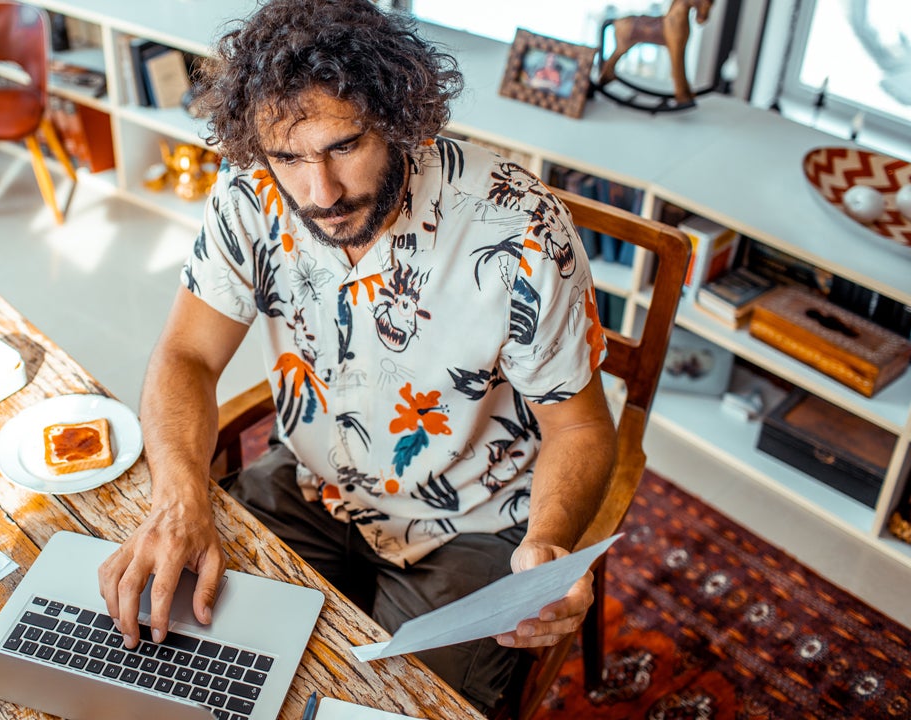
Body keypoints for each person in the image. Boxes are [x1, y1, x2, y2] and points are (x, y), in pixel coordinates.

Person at [97, 0, 617, 711]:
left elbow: (581, 427)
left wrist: (550, 539)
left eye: (344, 146)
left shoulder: (519, 230)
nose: (321, 193)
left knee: (399, 707)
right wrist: (180, 497)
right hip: (311, 484)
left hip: (470, 522)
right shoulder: (251, 196)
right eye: (288, 157)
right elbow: (186, 354)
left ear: (400, 117)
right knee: (176, 655)